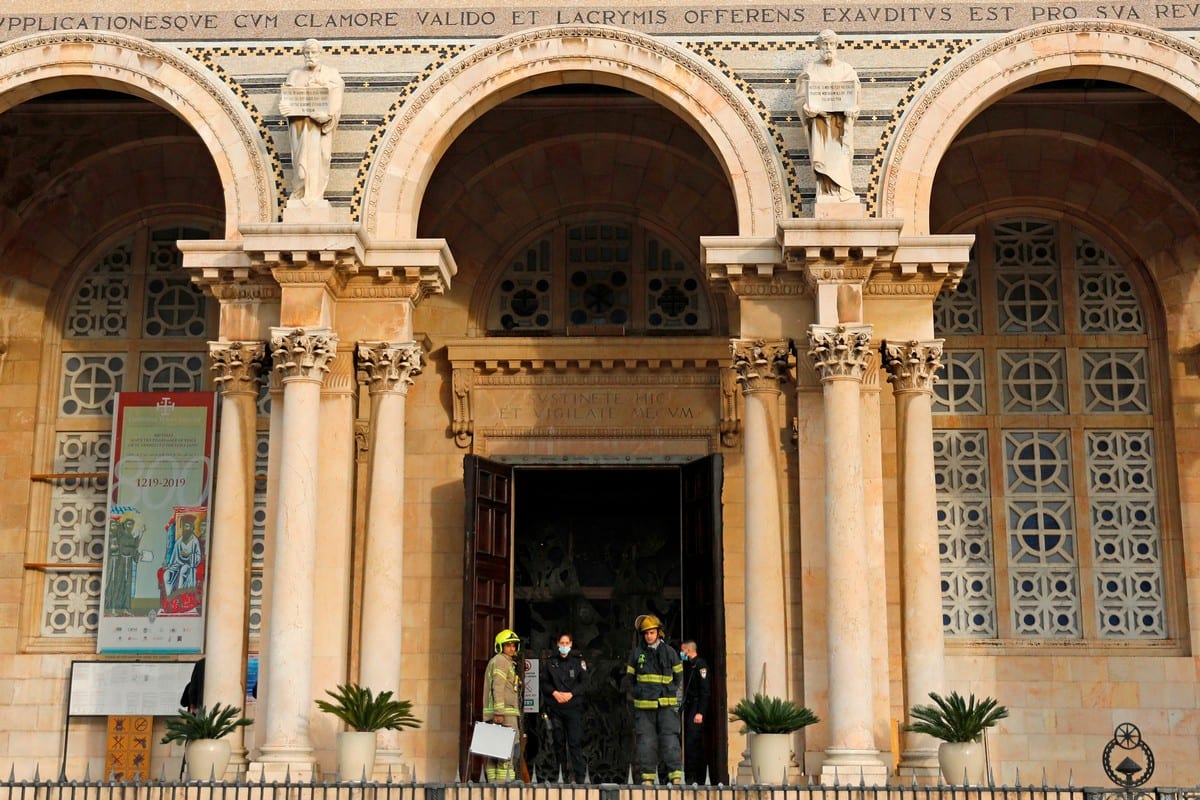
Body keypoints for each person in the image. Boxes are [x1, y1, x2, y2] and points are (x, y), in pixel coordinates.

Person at [795, 29, 861, 203]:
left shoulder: (846, 70)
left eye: (831, 44)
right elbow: (801, 98)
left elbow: (855, 97)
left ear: (836, 45)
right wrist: (807, 109)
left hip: (841, 125)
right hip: (821, 125)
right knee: (822, 161)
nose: (828, 47)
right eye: (824, 44)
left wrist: (853, 110)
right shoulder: (811, 69)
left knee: (842, 159)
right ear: (819, 46)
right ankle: (826, 193)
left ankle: (843, 192)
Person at [279, 38, 344, 205]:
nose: (310, 55)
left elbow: (337, 95)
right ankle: (300, 192)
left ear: (320, 53)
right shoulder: (295, 75)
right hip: (300, 128)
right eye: (306, 53)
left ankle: (313, 196)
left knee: (318, 162)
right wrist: (284, 108)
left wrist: (328, 116)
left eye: (313, 52)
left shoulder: (331, 74)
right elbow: (288, 98)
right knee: (301, 171)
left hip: (319, 129)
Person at [625, 614, 683, 785]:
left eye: (651, 632)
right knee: (646, 742)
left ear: (658, 633)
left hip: (666, 705)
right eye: (646, 633)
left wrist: (669, 691)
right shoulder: (637, 654)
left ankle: (676, 776)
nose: (649, 636)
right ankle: (648, 778)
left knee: (670, 739)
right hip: (644, 707)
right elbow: (629, 679)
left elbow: (678, 676)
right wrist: (637, 692)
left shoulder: (670, 652)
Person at [541, 631, 588, 782]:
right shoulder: (550, 663)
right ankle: (562, 776)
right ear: (557, 645)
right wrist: (554, 692)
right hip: (556, 709)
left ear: (571, 644)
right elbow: (544, 683)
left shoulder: (578, 662)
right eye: (562, 643)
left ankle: (580, 778)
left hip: (573, 708)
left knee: (574, 742)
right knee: (559, 743)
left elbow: (585, 682)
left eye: (567, 643)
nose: (564, 646)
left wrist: (571, 694)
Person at [482, 628, 523, 782]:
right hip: (504, 716)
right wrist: (499, 712)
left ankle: (493, 784)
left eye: (514, 645)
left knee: (494, 754)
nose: (512, 648)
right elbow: (497, 687)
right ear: (500, 646)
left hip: (498, 715)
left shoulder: (502, 661)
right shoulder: (501, 661)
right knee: (507, 753)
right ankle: (506, 785)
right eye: (508, 645)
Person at [679, 640, 711, 784]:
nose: (681, 654)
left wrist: (701, 712)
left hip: (697, 707)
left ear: (688, 650)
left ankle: (696, 776)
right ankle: (688, 774)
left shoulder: (700, 666)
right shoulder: (689, 666)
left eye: (682, 651)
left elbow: (705, 691)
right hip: (689, 706)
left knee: (693, 741)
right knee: (688, 741)